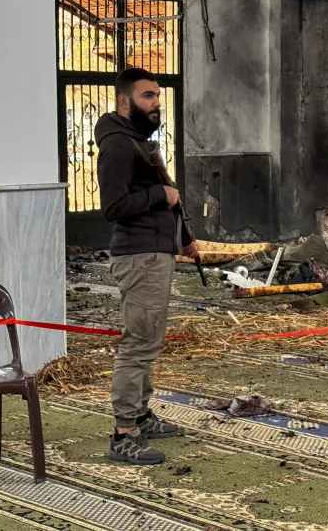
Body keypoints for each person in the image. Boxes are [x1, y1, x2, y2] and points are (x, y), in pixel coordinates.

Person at [95, 68, 198, 465]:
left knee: (148, 340)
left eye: (158, 96)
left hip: (153, 253)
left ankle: (140, 414)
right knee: (138, 344)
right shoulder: (120, 146)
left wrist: (184, 240)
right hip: (139, 257)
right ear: (125, 101)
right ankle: (124, 434)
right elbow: (113, 207)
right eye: (148, 96)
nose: (157, 103)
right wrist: (161, 194)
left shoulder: (137, 141)